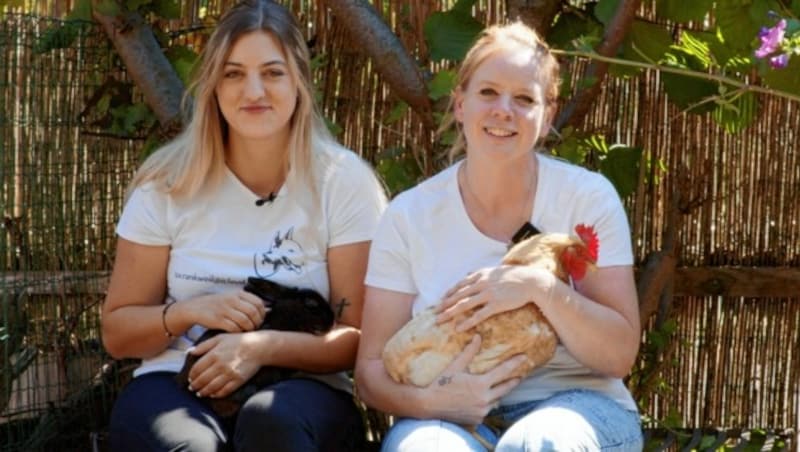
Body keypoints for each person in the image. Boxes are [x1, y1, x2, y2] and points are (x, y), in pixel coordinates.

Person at [102, 1, 386, 450]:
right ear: (213, 85)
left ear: (299, 82)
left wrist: (260, 347)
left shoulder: (344, 182)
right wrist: (189, 312)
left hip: (303, 385)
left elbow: (361, 337)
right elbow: (118, 334)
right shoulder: (167, 184)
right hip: (176, 376)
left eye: (272, 72)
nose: (253, 90)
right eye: (234, 73)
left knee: (271, 424)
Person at [355, 22, 643, 451]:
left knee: (539, 442)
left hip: (578, 404)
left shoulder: (586, 198)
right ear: (459, 104)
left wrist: (539, 288)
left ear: (547, 118)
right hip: (448, 414)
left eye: (524, 99)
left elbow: (619, 354)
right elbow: (371, 371)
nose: (503, 109)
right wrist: (432, 401)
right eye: (488, 92)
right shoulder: (409, 216)